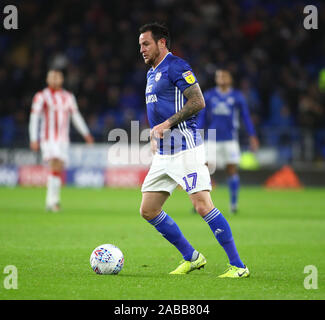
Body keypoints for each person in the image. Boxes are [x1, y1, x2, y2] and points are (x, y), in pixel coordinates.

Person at [138, 22, 249, 278]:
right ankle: (192, 257)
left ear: (162, 43)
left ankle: (239, 266)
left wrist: (167, 123)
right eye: (140, 45)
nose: (142, 49)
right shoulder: (151, 73)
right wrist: (157, 134)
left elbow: (198, 101)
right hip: (164, 153)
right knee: (148, 209)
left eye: (146, 44)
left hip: (185, 148)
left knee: (202, 206)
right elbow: (158, 110)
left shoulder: (177, 66)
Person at [29, 69, 94, 212]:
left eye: (57, 77)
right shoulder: (41, 97)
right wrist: (33, 138)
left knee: (57, 168)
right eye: (52, 77)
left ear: (62, 79)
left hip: (63, 139)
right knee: (54, 164)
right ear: (47, 79)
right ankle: (53, 202)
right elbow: (34, 119)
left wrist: (86, 133)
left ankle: (52, 201)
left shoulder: (68, 97)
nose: (54, 80)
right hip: (48, 138)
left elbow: (75, 116)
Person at [197, 69, 259, 213]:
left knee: (231, 170)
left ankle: (233, 204)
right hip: (210, 139)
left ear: (230, 78)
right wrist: (197, 134)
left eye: (224, 75)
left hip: (230, 139)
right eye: (219, 76)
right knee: (204, 171)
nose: (221, 78)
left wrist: (252, 135)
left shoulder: (237, 97)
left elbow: (245, 117)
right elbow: (202, 118)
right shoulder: (209, 95)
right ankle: (201, 203)